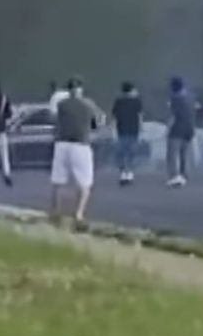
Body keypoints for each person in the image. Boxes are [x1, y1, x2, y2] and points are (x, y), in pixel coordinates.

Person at [49, 77, 103, 225]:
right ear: (81, 89)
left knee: (58, 181)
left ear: (68, 90)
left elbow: (54, 120)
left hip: (62, 144)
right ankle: (78, 214)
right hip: (80, 144)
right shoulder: (88, 104)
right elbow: (98, 123)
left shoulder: (61, 104)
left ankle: (56, 212)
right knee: (85, 183)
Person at [111, 81, 143, 186]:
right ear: (132, 90)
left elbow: (114, 117)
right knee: (131, 153)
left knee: (121, 153)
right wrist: (141, 129)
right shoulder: (137, 101)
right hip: (134, 131)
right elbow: (140, 117)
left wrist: (113, 131)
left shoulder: (118, 101)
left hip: (121, 130)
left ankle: (123, 172)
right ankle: (129, 172)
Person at [166, 77, 196, 188]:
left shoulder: (175, 98)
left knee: (172, 154)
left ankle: (174, 176)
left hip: (177, 129)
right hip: (189, 128)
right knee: (184, 154)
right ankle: (184, 175)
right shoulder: (190, 97)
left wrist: (168, 127)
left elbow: (173, 115)